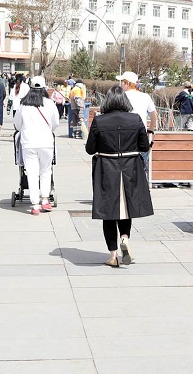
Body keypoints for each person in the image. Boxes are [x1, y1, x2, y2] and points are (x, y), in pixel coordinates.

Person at [85, 85, 153, 267]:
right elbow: (144, 146)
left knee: (108, 212)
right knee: (126, 208)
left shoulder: (99, 121)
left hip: (107, 169)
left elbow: (90, 149)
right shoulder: (135, 119)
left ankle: (113, 256)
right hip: (131, 168)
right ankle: (125, 237)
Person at [13, 76, 59, 215]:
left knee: (32, 173)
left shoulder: (23, 105)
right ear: (44, 88)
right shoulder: (50, 104)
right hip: (46, 142)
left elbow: (17, 125)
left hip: (28, 143)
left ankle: (35, 204)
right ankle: (45, 200)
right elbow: (55, 123)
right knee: (46, 171)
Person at [117, 71, 158, 176]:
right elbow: (154, 115)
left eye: (122, 82)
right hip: (141, 134)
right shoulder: (145, 96)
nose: (121, 84)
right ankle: (142, 185)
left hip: (124, 134)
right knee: (141, 165)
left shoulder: (121, 97)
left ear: (127, 83)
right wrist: (150, 129)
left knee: (125, 167)